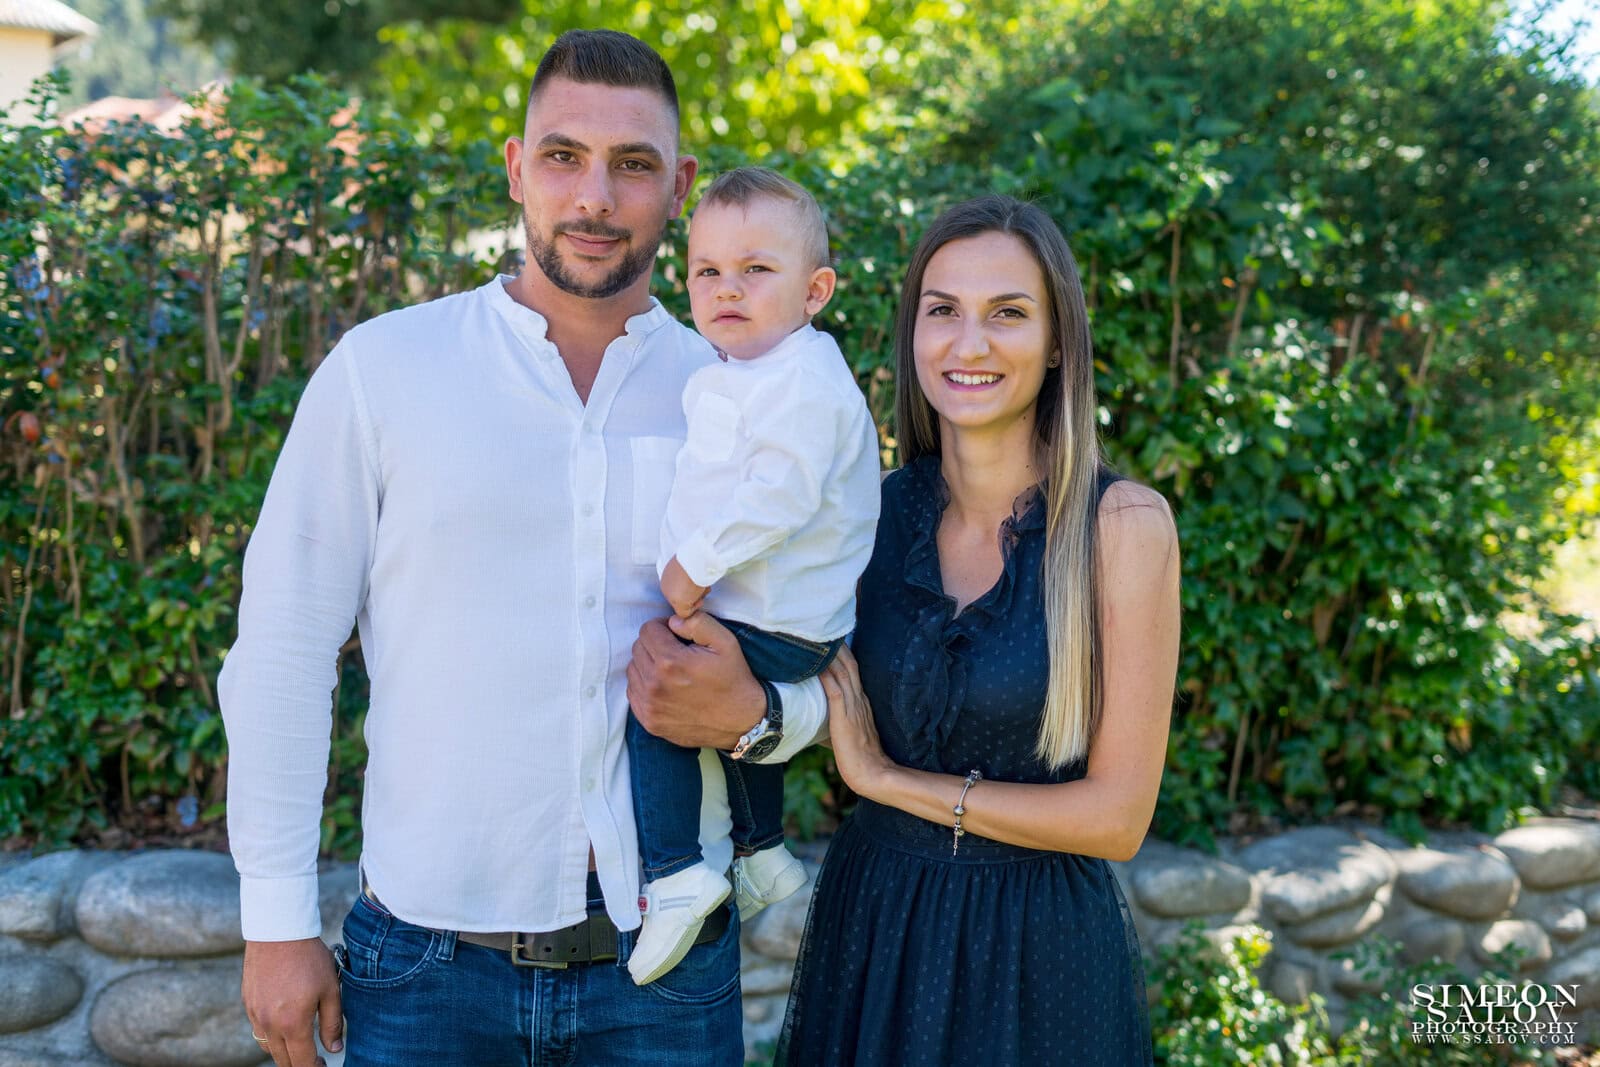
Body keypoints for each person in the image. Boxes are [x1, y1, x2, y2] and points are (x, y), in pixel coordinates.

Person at [219, 29, 825, 1067]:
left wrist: (766, 714)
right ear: (514, 167)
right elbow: (282, 647)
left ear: (680, 186)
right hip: (425, 971)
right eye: (563, 156)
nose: (595, 196)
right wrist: (275, 919)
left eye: (632, 164)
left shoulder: (743, 397)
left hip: (666, 972)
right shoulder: (383, 371)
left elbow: (814, 626)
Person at [776, 195, 1181, 1066]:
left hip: (1038, 954)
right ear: (913, 333)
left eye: (1007, 313)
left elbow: (1117, 819)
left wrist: (888, 780)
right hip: (875, 929)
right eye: (943, 311)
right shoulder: (867, 514)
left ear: (1059, 341)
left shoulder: (1120, 527)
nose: (969, 344)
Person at [627, 166, 879, 986]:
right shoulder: (751, 369)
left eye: (756, 269)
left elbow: (781, 495)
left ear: (815, 291)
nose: (726, 288)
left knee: (663, 699)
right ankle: (762, 852)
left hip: (778, 617)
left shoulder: (803, 382)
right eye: (707, 270)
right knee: (728, 716)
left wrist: (691, 566)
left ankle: (676, 874)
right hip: (773, 612)